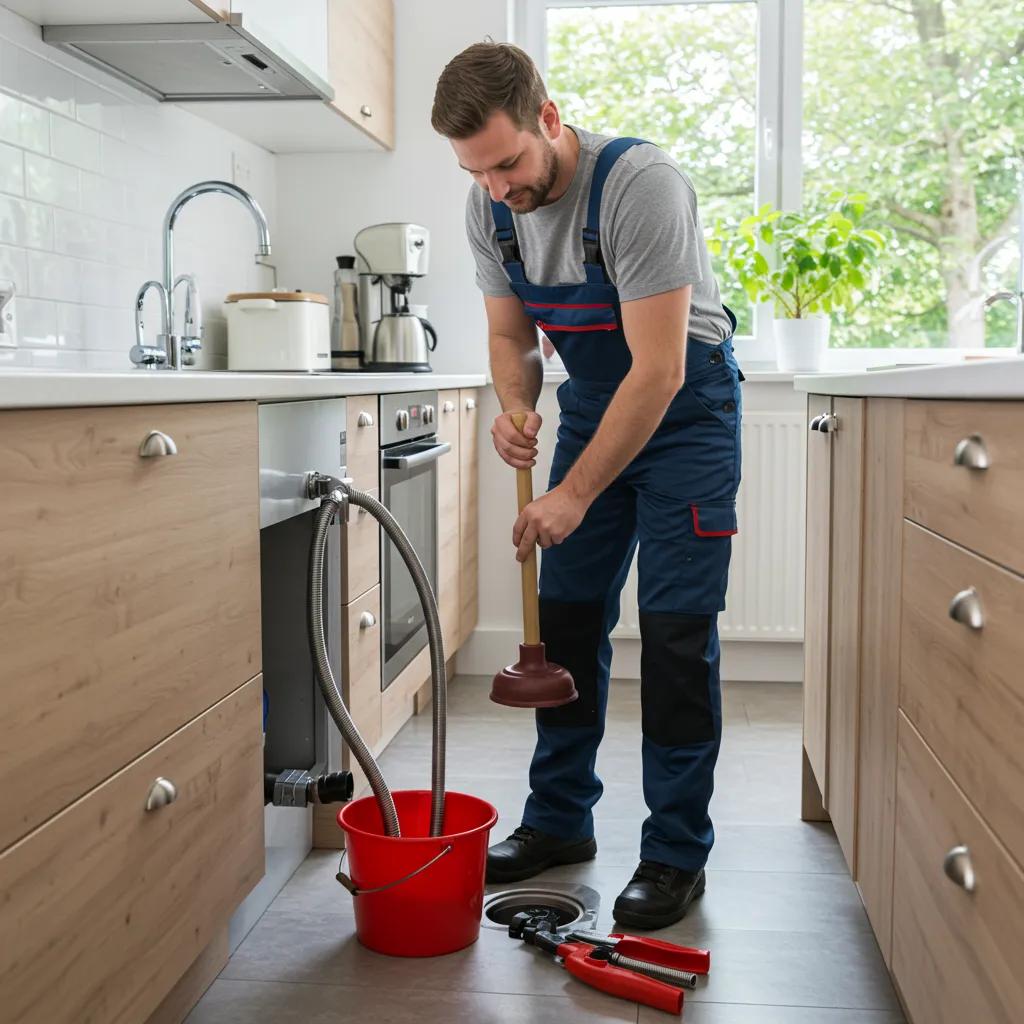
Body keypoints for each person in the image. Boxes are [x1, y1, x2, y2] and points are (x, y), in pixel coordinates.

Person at [431, 41, 743, 930]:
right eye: (476, 170)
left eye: (508, 163)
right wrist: (518, 406)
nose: (498, 187)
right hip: (600, 406)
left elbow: (659, 369)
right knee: (564, 621)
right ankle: (559, 823)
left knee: (679, 637)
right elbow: (510, 339)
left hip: (685, 413)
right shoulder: (490, 208)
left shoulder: (640, 186)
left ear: (550, 120)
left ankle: (676, 852)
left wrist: (570, 494)